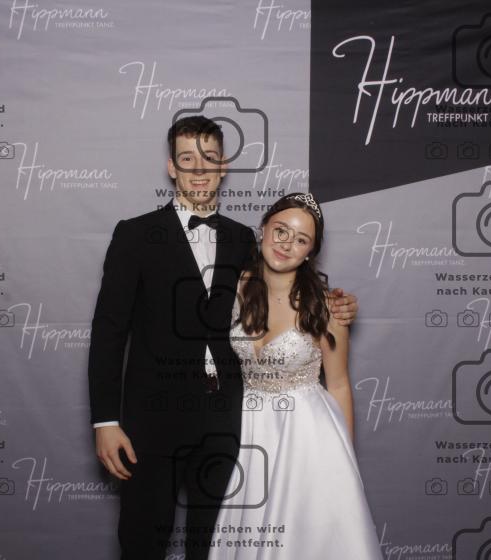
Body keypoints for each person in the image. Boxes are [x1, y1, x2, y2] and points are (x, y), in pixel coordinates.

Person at [87, 115, 359, 560]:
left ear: (224, 166)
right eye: (187, 159)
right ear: (171, 167)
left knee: (215, 548)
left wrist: (339, 305)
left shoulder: (243, 240)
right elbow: (108, 333)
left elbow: (286, 289)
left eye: (209, 159)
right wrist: (105, 422)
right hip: (152, 422)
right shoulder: (134, 235)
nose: (199, 170)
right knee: (142, 543)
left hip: (228, 423)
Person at [207, 192, 384, 559]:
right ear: (263, 229)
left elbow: (338, 384)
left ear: (310, 252)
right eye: (281, 231)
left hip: (307, 437)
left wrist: (345, 463)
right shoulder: (233, 288)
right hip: (248, 430)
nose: (287, 244)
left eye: (301, 240)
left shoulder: (327, 306)